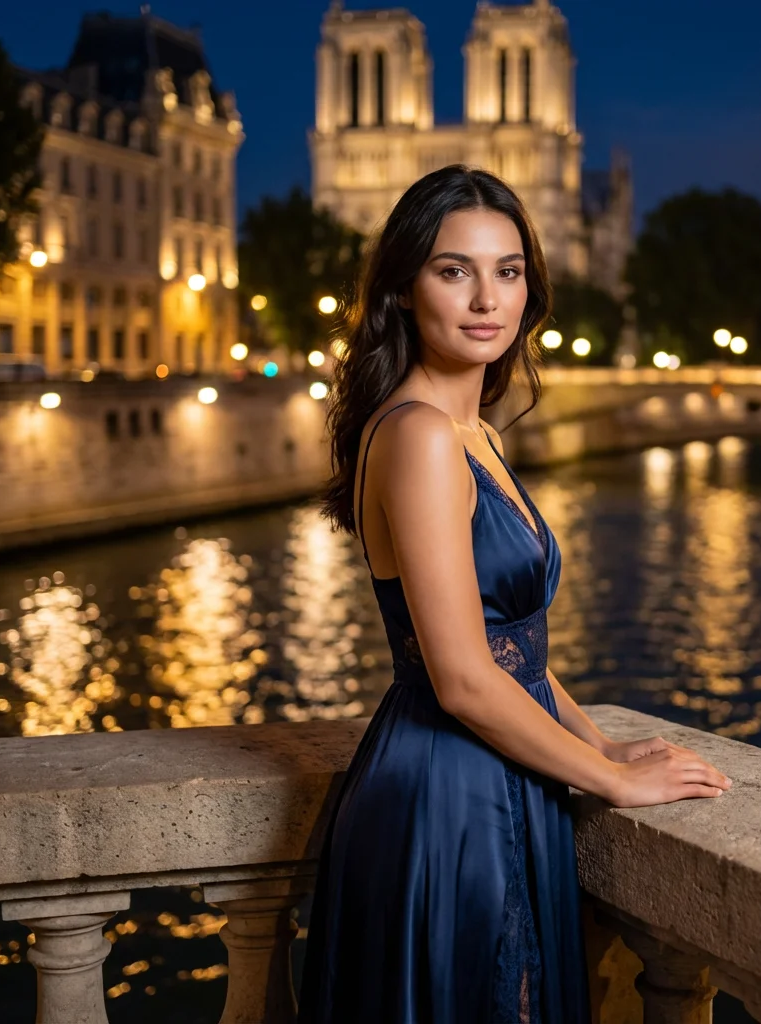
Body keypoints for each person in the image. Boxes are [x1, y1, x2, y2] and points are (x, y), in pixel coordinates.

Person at [296, 165, 732, 1024]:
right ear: (403, 286)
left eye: (508, 270)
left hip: (498, 772)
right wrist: (614, 783)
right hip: (447, 793)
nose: (486, 296)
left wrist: (600, 740)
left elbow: (511, 647)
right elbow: (460, 677)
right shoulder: (419, 436)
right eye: (454, 269)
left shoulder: (475, 432)